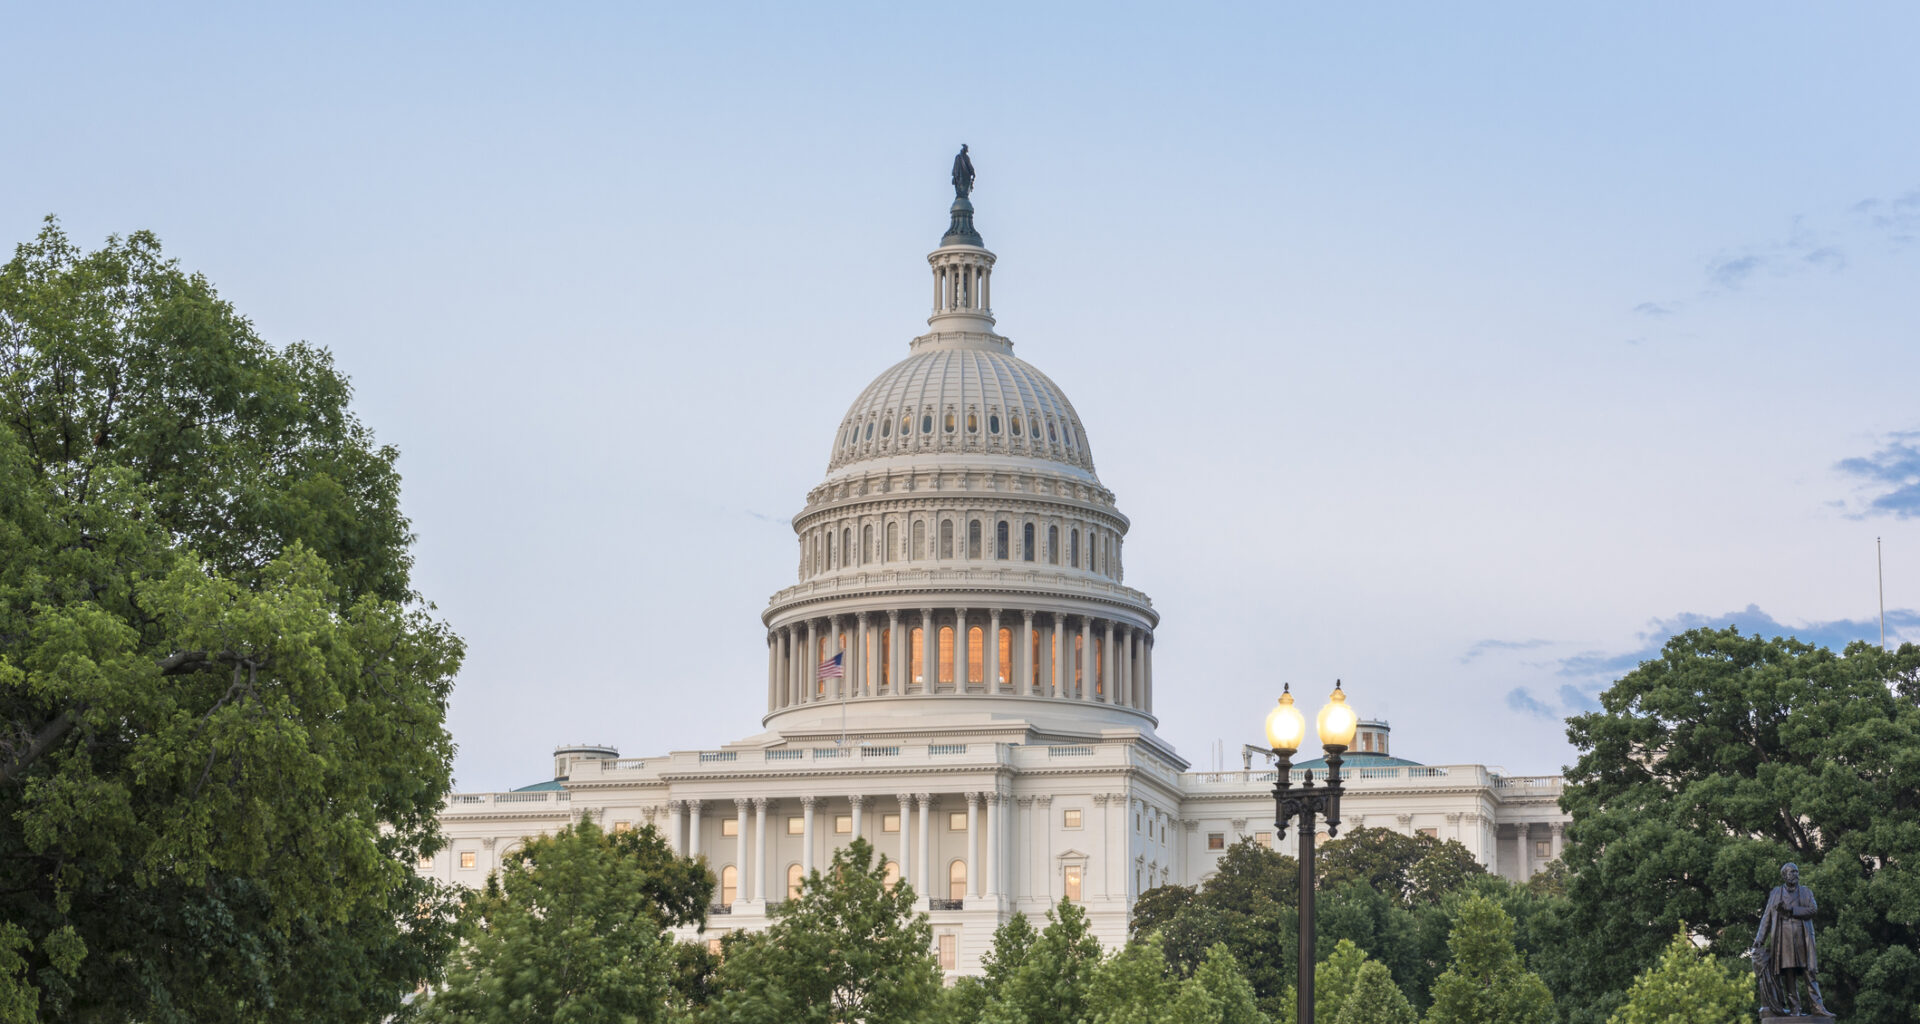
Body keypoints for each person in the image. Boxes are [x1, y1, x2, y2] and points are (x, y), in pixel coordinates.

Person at [1753, 862, 1830, 1017]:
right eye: (1792, 872)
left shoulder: (1806, 892)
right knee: (1789, 974)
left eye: (1797, 871)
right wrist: (1759, 938)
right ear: (1784, 875)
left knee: (1810, 973)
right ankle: (1795, 1009)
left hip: (1803, 937)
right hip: (1784, 939)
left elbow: (1812, 910)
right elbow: (1767, 916)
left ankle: (1818, 1007)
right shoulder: (1776, 893)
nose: (1795, 874)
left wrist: (1792, 910)